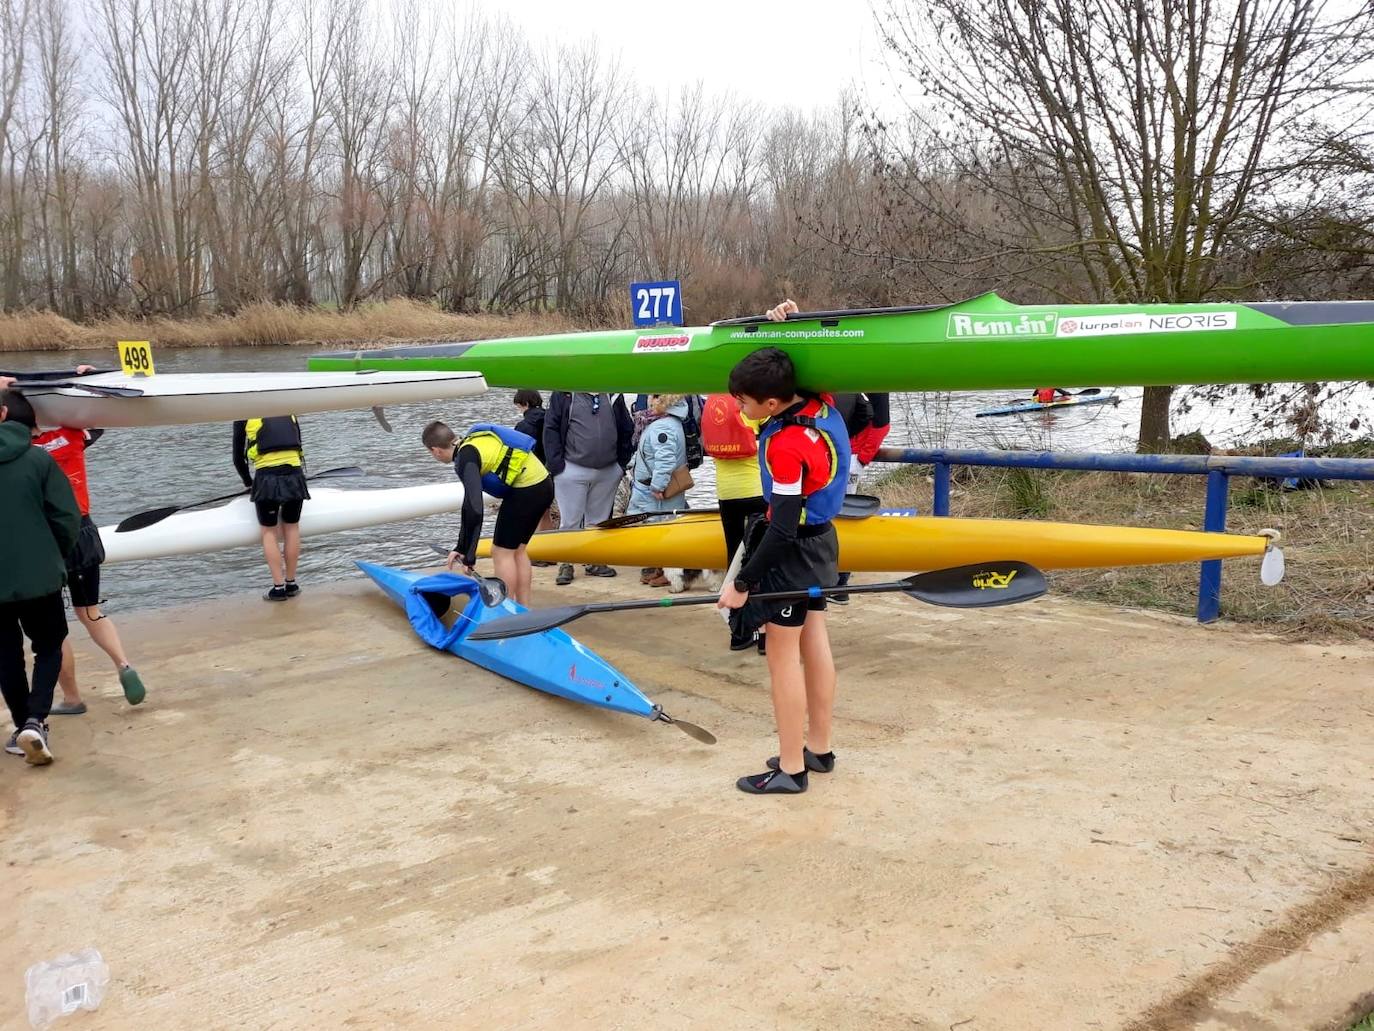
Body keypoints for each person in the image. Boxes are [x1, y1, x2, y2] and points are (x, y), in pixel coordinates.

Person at [716, 347, 851, 796]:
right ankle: (819, 749)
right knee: (814, 639)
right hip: (824, 542)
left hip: (792, 554)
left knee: (781, 658)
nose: (739, 408)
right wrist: (786, 320)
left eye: (744, 402)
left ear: (771, 404)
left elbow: (782, 529)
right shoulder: (821, 404)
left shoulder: (785, 444)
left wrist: (743, 583)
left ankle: (792, 769)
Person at [0, 380, 147, 710]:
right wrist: (86, 377)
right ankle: (124, 665)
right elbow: (98, 416)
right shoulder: (72, 435)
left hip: (47, 539)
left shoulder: (24, 454)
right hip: (84, 531)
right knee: (90, 612)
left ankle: (71, 698)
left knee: (53, 631)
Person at [0, 388, 81, 765]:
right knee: (49, 645)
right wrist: (54, 557)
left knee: (5, 656)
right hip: (39, 575)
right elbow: (67, 519)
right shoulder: (38, 460)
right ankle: (36, 718)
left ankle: (21, 727)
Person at [422, 420, 554, 607]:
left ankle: (505, 611)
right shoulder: (471, 442)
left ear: (435, 450)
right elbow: (469, 505)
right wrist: (462, 547)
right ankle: (523, 609)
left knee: (501, 552)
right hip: (543, 483)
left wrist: (470, 556)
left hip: (527, 490)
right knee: (517, 550)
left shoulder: (465, 458)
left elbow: (475, 509)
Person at [543, 391, 633, 586]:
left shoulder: (613, 393)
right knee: (570, 521)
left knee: (600, 521)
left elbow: (626, 427)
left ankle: (595, 560)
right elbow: (550, 428)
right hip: (571, 468)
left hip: (608, 469)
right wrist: (557, 466)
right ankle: (566, 563)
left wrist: (620, 464)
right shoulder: (564, 394)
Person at [233, 415, 309, 601]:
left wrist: (249, 483)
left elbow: (238, 458)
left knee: (269, 531)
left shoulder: (241, 413)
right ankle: (291, 583)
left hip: (266, 477)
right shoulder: (287, 409)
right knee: (292, 526)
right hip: (295, 474)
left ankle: (278, 588)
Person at [627, 393, 692, 588]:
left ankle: (671, 572)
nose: (650, 400)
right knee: (661, 528)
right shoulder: (668, 423)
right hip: (652, 488)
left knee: (660, 529)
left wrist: (658, 486)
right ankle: (662, 568)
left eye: (656, 397)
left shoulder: (662, 426)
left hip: (654, 491)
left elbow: (665, 460)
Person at [513, 390, 556, 545]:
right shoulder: (552, 418)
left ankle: (539, 552)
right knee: (546, 513)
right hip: (552, 470)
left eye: (519, 406)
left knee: (532, 515)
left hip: (531, 475)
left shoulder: (523, 426)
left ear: (524, 404)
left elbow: (517, 453)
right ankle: (549, 550)